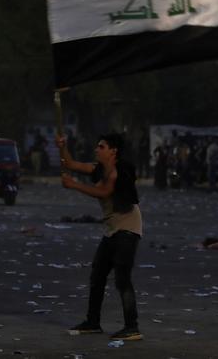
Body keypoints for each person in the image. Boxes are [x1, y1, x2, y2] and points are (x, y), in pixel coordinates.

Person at [56, 132, 143, 341]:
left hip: (128, 227)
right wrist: (62, 146)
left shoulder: (118, 171)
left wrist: (74, 185)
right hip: (113, 228)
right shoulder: (99, 169)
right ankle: (93, 322)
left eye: (101, 146)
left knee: (122, 278)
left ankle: (132, 327)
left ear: (113, 151)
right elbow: (69, 163)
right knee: (97, 275)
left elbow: (104, 192)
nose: (96, 149)